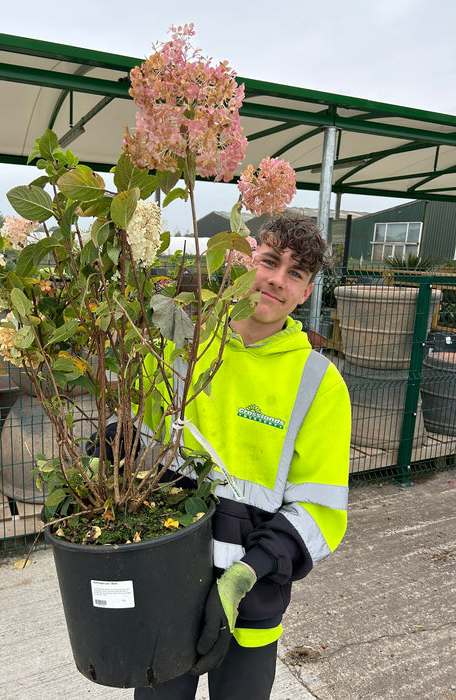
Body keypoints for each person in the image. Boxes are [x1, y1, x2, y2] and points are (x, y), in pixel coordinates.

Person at [134, 212, 351, 700]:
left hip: (251, 600)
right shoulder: (184, 346)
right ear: (244, 262)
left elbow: (320, 510)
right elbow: (128, 430)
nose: (276, 279)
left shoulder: (320, 384)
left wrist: (245, 573)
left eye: (295, 273)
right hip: (165, 585)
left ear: (306, 292)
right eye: (269, 261)